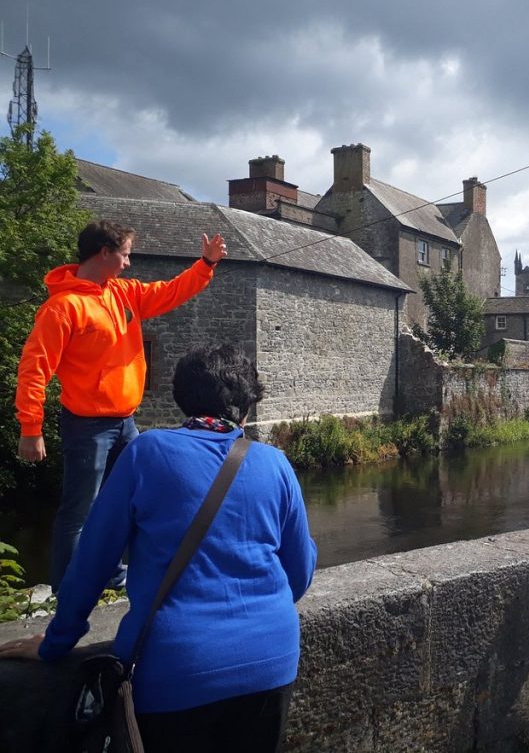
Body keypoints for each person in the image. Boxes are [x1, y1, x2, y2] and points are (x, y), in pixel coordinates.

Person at [0, 344, 317, 753]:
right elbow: (300, 573)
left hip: (176, 668)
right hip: (272, 660)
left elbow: (92, 564)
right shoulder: (275, 463)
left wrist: (55, 644)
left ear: (181, 398)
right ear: (248, 408)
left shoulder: (147, 452)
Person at [15, 219, 227, 592]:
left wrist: (205, 265)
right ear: (105, 253)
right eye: (125, 254)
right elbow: (34, 370)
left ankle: (112, 575)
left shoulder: (123, 294)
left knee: (127, 503)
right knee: (78, 512)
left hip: (126, 421)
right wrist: (31, 429)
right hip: (86, 425)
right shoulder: (63, 308)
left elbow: (169, 292)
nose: (129, 263)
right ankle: (66, 589)